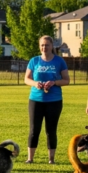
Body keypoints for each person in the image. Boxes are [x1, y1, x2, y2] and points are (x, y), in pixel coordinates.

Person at [24, 35, 70, 164]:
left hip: (54, 101)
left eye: (47, 45)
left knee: (51, 130)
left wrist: (54, 82)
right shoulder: (34, 61)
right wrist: (35, 83)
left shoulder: (59, 61)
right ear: (40, 47)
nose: (44, 47)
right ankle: (30, 158)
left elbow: (66, 80)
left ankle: (51, 159)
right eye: (42, 45)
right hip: (36, 99)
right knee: (34, 129)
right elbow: (26, 79)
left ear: (52, 46)